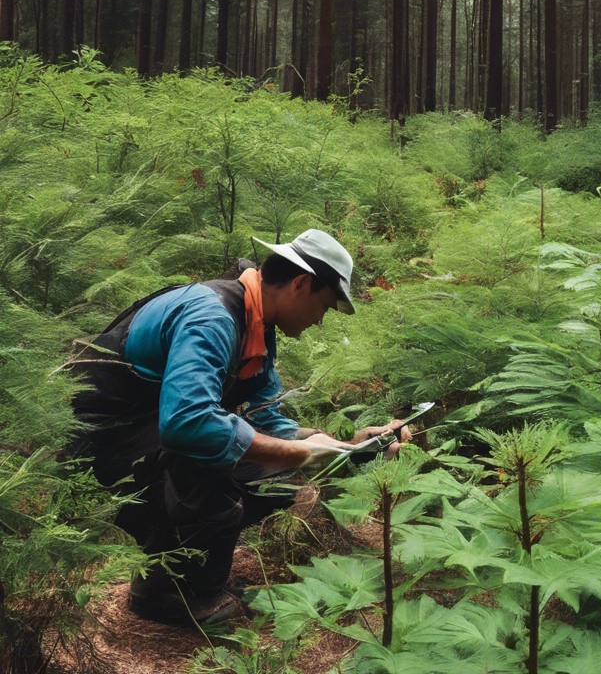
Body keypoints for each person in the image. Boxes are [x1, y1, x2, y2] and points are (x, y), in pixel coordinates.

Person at [66, 228, 411, 627]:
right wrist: (293, 452)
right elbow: (186, 423)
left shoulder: (256, 327)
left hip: (143, 437)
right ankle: (164, 593)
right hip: (102, 445)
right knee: (216, 466)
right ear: (301, 284)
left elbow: (268, 419)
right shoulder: (211, 317)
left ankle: (183, 581)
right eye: (325, 306)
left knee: (277, 474)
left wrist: (344, 447)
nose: (320, 321)